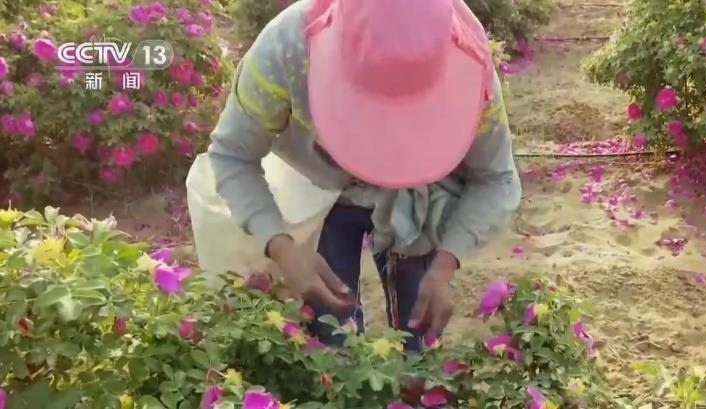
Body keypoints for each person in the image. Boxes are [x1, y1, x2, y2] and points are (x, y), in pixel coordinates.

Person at [206, 0, 521, 352]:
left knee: (418, 338)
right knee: (328, 331)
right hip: (320, 187)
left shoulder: (469, 67)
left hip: (416, 197)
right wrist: (283, 247)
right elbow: (233, 154)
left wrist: (446, 262)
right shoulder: (288, 51)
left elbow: (496, 179)